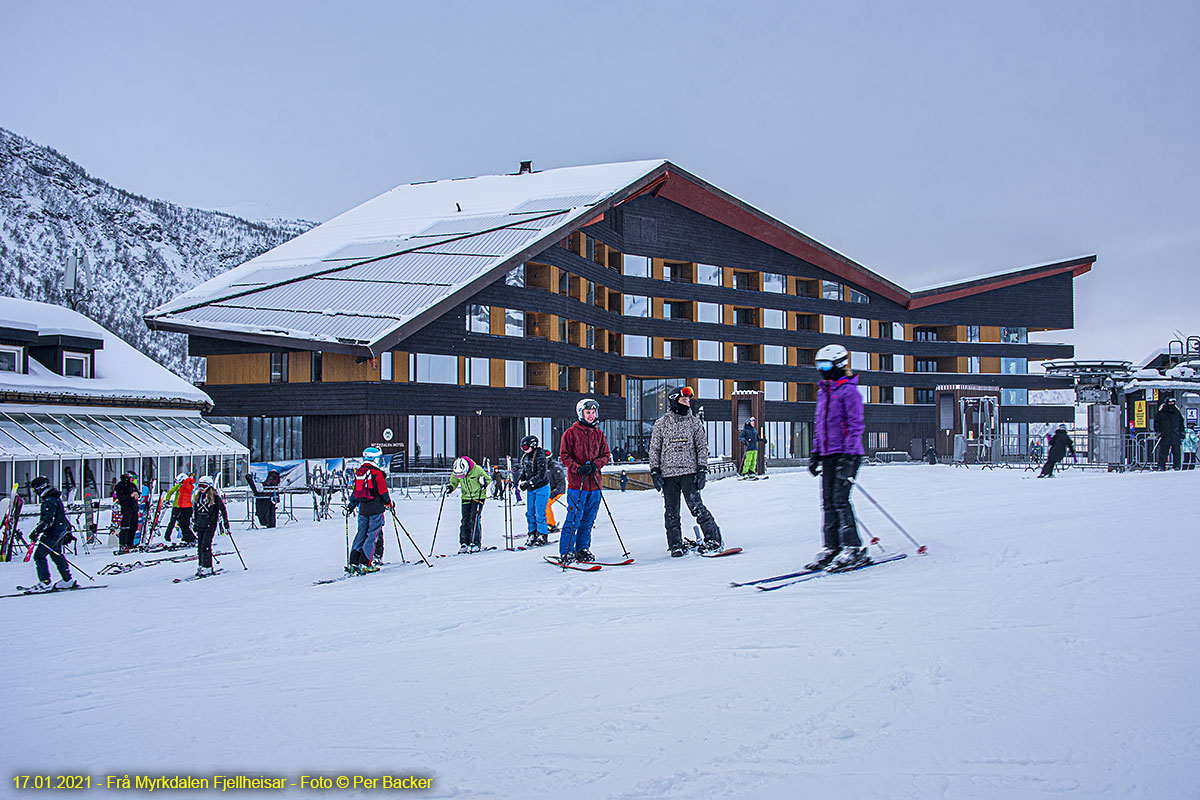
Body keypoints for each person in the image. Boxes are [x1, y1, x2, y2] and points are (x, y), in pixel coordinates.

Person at [805, 344, 869, 571]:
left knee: (841, 500)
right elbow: (819, 427)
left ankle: (852, 547)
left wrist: (848, 456)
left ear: (839, 364)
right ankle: (832, 546)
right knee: (828, 502)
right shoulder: (824, 392)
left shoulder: (848, 391)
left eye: (825, 365)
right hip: (829, 455)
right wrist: (816, 454)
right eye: (819, 365)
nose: (821, 369)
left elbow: (855, 426)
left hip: (847, 455)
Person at [649, 385, 722, 557]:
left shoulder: (694, 423)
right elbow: (654, 449)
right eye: (683, 400)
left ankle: (713, 538)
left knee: (696, 507)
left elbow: (702, 448)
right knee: (671, 512)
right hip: (668, 475)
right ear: (674, 401)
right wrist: (654, 471)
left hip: (689, 473)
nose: (687, 404)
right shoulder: (661, 424)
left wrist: (702, 469)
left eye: (688, 401)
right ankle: (675, 545)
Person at [558, 398, 611, 563]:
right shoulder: (571, 433)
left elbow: (606, 455)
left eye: (593, 412)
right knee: (574, 517)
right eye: (588, 412)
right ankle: (567, 551)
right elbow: (564, 456)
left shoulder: (599, 434)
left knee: (588, 519)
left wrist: (595, 465)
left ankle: (582, 548)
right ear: (581, 413)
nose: (591, 415)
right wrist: (577, 468)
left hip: (594, 484)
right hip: (577, 484)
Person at [345, 447, 392, 572]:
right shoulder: (377, 473)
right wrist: (388, 503)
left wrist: (351, 506)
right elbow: (383, 492)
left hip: (363, 509)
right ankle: (365, 562)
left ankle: (353, 561)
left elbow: (355, 492)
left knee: (361, 533)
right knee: (373, 534)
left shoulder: (360, 472)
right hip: (376, 508)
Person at [25, 476, 75, 592]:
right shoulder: (54, 498)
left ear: (40, 488)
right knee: (56, 555)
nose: (34, 493)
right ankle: (67, 580)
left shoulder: (49, 501)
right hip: (58, 532)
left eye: (34, 490)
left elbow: (48, 520)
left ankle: (45, 582)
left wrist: (37, 531)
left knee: (39, 555)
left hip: (52, 534)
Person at [447, 456, 489, 553]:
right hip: (466, 496)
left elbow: (487, 479)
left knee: (474, 518)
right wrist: (450, 487)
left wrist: (484, 483)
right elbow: (454, 482)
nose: (461, 477)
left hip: (478, 496)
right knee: (465, 519)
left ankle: (475, 542)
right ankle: (464, 542)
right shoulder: (456, 470)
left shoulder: (477, 469)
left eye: (462, 475)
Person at [191, 475, 228, 578]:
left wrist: (225, 522)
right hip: (200, 524)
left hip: (209, 524)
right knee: (199, 547)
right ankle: (201, 565)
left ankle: (208, 566)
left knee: (205, 546)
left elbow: (222, 509)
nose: (201, 489)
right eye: (200, 486)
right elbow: (196, 511)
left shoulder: (214, 497)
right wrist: (195, 523)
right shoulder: (198, 496)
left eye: (204, 486)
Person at [517, 435, 550, 547]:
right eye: (522, 448)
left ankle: (542, 534)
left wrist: (529, 483)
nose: (524, 450)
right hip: (531, 489)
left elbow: (541, 475)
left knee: (539, 512)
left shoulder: (540, 456)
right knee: (530, 512)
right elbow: (525, 471)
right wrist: (520, 479)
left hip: (541, 487)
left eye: (526, 447)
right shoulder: (526, 457)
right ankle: (532, 533)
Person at [163, 472, 196, 545]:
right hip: (178, 507)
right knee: (175, 522)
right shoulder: (180, 486)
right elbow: (170, 492)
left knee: (182, 523)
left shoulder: (187, 486)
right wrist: (167, 500)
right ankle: (167, 537)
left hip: (183, 507)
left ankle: (186, 537)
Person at [1155, 397, 1185, 471]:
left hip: (1175, 434)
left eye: (1173, 402)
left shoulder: (1176, 411)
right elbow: (1156, 423)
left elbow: (1181, 422)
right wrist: (1159, 432)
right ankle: (1161, 466)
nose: (1172, 404)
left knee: (1177, 452)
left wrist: (1182, 432)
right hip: (1165, 435)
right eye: (1170, 402)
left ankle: (1177, 466)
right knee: (1163, 452)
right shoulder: (1162, 412)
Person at [113, 472, 139, 553]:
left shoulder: (132, 485)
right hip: (126, 507)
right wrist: (130, 496)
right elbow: (121, 497)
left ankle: (130, 544)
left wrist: (137, 495)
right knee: (125, 526)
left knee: (133, 526)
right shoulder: (120, 485)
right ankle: (123, 544)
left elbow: (137, 492)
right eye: (132, 478)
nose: (133, 480)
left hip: (134, 507)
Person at [545, 451, 565, 534]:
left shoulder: (555, 467)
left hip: (558, 490)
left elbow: (561, 482)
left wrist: (555, 492)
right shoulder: (544, 467)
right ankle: (543, 523)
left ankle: (551, 525)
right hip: (548, 490)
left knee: (547, 504)